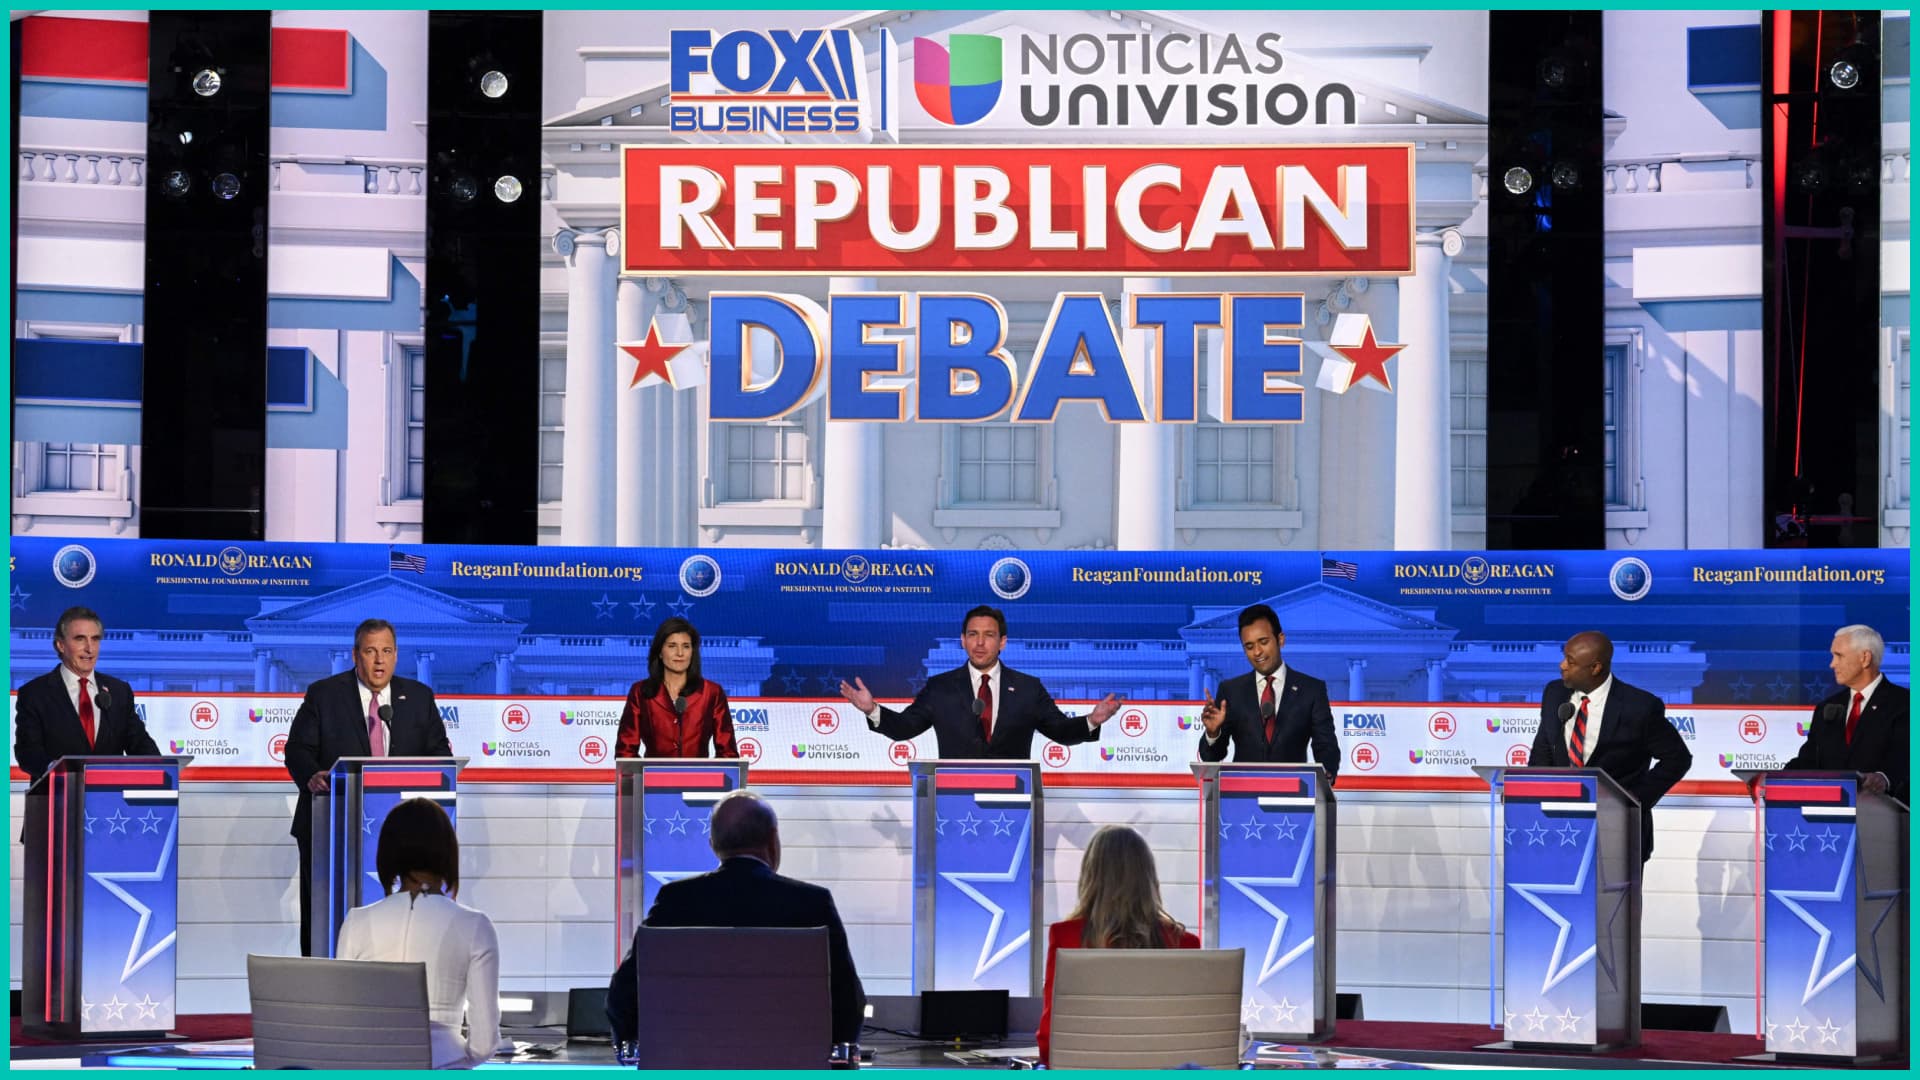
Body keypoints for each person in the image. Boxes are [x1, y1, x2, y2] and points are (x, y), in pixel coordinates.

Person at [606, 790, 865, 1048]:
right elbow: (848, 1001)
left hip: (693, 1062)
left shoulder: (675, 900)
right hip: (790, 1062)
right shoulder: (811, 903)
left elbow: (624, 992)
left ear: (713, 845)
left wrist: (635, 1048)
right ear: (773, 839)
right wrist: (830, 1058)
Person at [286, 618, 453, 956]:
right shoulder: (325, 695)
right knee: (324, 920)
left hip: (403, 830)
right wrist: (313, 775)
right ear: (355, 655)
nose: (379, 661)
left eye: (387, 651)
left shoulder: (418, 697)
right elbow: (297, 750)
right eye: (370, 651)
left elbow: (439, 756)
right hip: (331, 827)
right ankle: (323, 981)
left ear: (396, 655)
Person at [337, 797, 500, 1069]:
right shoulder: (475, 926)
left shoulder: (356, 922)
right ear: (448, 851)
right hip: (444, 1063)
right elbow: (484, 1043)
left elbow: (343, 1020)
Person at [838, 605, 1120, 759]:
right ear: (963, 641)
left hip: (1012, 801)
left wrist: (1091, 720)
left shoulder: (1028, 688)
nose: (980, 643)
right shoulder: (940, 688)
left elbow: (1060, 731)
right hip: (954, 800)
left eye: (989, 635)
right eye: (973, 635)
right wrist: (872, 710)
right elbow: (905, 728)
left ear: (1002, 642)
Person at [1037, 825, 1199, 1065]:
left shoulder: (1065, 936)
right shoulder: (1185, 943)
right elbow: (1193, 1039)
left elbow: (1050, 1041)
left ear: (1090, 876)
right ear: (1149, 877)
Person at [1529, 631, 1692, 861]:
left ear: (1595, 668)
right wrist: (1529, 794)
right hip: (1557, 830)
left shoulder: (1639, 707)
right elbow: (1544, 748)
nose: (1562, 665)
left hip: (1618, 833)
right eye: (1564, 658)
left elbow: (1678, 759)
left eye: (1571, 662)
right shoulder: (1555, 693)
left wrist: (1631, 800)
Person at [14, 606, 160, 782]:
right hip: (56, 794)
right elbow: (27, 752)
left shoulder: (119, 692)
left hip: (110, 796)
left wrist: (160, 767)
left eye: (95, 639)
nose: (90, 649)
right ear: (61, 645)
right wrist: (54, 770)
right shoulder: (35, 693)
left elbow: (140, 743)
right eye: (80, 639)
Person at [1768, 624, 1908, 803]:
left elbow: (1906, 759)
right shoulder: (1828, 707)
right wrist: (1773, 779)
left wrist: (1884, 778)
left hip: (1887, 812)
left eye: (1839, 656)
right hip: (1831, 813)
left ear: (1865, 658)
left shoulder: (1905, 704)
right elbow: (1808, 761)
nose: (1832, 664)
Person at [1196, 604, 1339, 778]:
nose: (1257, 652)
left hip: (1295, 790)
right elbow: (1212, 757)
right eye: (1249, 646)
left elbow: (1326, 746)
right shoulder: (1231, 691)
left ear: (1280, 639)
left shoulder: (1311, 690)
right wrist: (1213, 733)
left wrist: (1326, 774)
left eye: (1263, 642)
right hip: (1242, 791)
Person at [615, 617, 738, 758]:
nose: (680, 653)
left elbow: (728, 753)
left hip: (698, 772)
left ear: (693, 652)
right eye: (672, 646)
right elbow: (625, 751)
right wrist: (643, 772)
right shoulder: (640, 692)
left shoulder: (712, 692)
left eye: (686, 646)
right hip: (653, 772)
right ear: (660, 652)